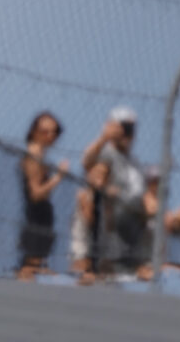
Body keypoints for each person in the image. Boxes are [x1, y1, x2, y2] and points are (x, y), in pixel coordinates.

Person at [82, 106, 151, 275]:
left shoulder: (135, 163)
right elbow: (87, 164)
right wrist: (105, 137)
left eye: (131, 129)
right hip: (109, 236)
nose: (127, 134)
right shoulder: (107, 153)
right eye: (124, 128)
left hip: (133, 238)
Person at [18, 112, 70, 281]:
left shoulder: (41, 155)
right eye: (44, 132)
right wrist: (58, 177)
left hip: (42, 222)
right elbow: (36, 194)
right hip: (35, 222)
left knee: (36, 269)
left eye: (54, 132)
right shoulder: (34, 155)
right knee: (29, 270)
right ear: (34, 132)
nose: (50, 136)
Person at [70, 162, 109, 285]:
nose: (100, 177)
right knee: (82, 277)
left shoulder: (102, 199)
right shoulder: (84, 194)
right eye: (97, 173)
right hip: (81, 247)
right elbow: (89, 220)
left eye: (103, 175)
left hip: (94, 249)